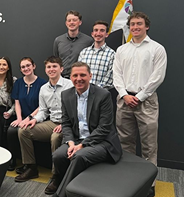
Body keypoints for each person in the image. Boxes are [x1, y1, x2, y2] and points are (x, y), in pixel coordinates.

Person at [47, 62, 122, 196]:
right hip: (76, 139)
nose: (79, 78)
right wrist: (70, 143)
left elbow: (104, 128)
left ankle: (61, 194)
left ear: (90, 76)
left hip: (102, 142)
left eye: (83, 75)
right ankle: (69, 185)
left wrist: (81, 145)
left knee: (79, 156)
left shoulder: (103, 95)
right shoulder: (66, 95)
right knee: (58, 155)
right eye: (75, 75)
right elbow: (66, 123)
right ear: (70, 77)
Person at [113, 12, 167, 197]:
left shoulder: (157, 49)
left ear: (146, 26)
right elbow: (117, 75)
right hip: (124, 100)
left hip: (147, 101)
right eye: (132, 24)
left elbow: (158, 77)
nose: (135, 27)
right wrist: (124, 95)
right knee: (125, 143)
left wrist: (140, 96)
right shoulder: (122, 50)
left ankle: (148, 183)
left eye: (139, 24)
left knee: (149, 145)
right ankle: (128, 179)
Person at [14, 56, 73, 182]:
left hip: (67, 124)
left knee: (55, 137)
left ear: (61, 69)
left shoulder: (70, 86)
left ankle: (56, 175)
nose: (51, 69)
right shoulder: (44, 88)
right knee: (23, 130)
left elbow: (76, 109)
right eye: (49, 67)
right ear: (45, 70)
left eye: (54, 66)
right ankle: (31, 168)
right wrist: (34, 119)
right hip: (51, 122)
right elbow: (43, 110)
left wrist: (64, 124)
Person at [7, 57, 46, 171]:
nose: (26, 68)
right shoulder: (18, 83)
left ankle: (28, 164)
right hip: (22, 117)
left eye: (28, 65)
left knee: (22, 130)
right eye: (23, 67)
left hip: (37, 118)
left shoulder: (43, 83)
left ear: (34, 66)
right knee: (11, 130)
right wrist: (19, 118)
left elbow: (42, 106)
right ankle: (13, 159)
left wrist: (29, 118)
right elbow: (17, 102)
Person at [53, 10, 93, 79]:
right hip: (62, 78)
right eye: (69, 20)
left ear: (80, 22)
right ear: (66, 23)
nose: (71, 22)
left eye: (74, 20)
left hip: (79, 78)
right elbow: (56, 60)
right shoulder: (58, 40)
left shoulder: (88, 41)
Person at [78, 20, 115, 90]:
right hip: (83, 92)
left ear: (107, 34)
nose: (98, 33)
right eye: (96, 30)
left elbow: (110, 77)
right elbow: (79, 72)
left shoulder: (112, 54)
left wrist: (96, 91)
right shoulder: (84, 52)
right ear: (92, 33)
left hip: (101, 94)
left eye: (102, 30)